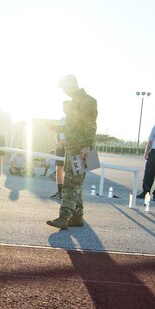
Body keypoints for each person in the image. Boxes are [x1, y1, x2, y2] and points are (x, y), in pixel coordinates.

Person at [47, 75, 97, 230]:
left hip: (82, 149)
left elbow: (90, 125)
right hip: (74, 146)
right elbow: (75, 127)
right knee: (77, 184)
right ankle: (77, 216)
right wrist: (59, 128)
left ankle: (63, 217)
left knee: (70, 183)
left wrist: (87, 146)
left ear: (73, 85)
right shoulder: (74, 103)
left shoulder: (88, 101)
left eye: (65, 88)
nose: (64, 92)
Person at [50, 100, 72, 200]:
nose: (64, 110)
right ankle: (59, 191)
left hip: (70, 147)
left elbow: (75, 134)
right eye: (63, 108)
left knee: (69, 170)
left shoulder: (75, 119)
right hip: (60, 147)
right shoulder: (62, 119)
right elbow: (58, 132)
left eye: (66, 108)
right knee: (59, 168)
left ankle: (68, 193)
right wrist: (58, 141)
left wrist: (65, 142)